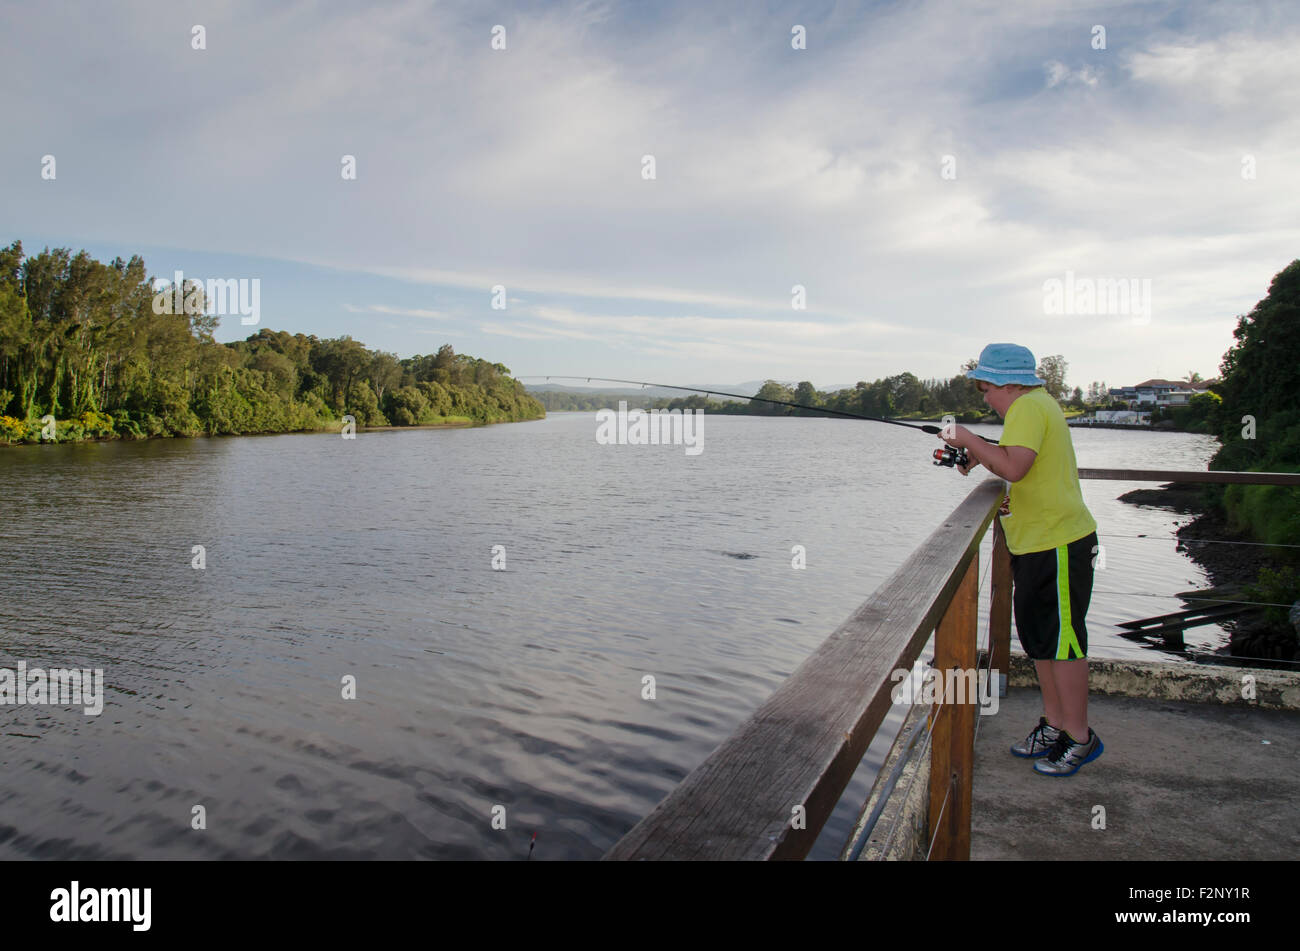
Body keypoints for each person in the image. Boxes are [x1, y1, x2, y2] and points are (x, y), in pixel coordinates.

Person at [939, 343, 1102, 776]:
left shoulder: (1028, 408)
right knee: (1043, 643)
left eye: (985, 388)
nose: (984, 397)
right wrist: (982, 453)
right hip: (1037, 544)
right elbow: (1018, 463)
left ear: (1008, 385)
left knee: (1064, 645)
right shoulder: (1032, 409)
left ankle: (1080, 737)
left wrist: (969, 439)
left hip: (1059, 543)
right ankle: (1053, 725)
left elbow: (1014, 469)